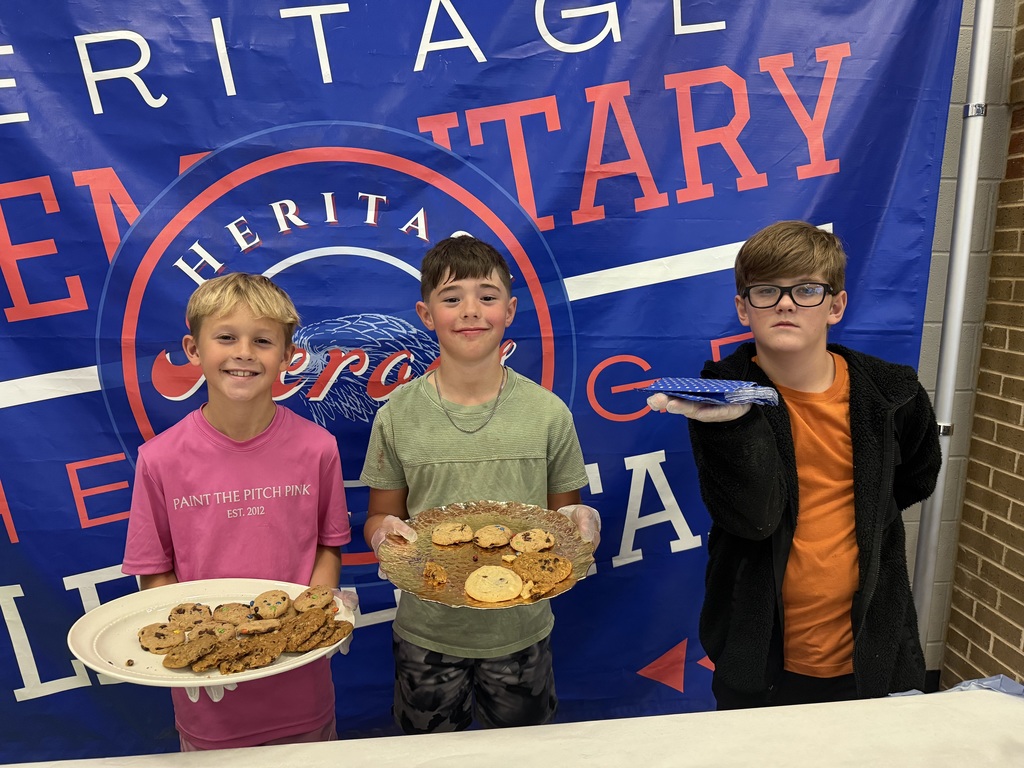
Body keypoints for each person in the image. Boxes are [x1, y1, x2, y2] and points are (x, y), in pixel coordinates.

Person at [648, 220, 941, 709]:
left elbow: (916, 478)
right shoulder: (720, 395)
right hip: (759, 655)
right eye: (767, 291)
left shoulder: (893, 392)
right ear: (743, 308)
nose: (785, 304)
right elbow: (753, 519)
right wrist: (736, 429)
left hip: (871, 652)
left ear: (835, 306)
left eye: (806, 290)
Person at [360, 234, 601, 734]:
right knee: (425, 755)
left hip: (521, 634)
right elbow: (380, 516)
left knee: (521, 754)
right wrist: (383, 534)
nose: (471, 310)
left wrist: (580, 524)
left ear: (509, 310)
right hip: (426, 634)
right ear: (426, 314)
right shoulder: (397, 415)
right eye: (452, 298)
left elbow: (561, 525)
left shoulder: (547, 413)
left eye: (487, 297)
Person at [122, 272, 352, 750]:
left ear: (287, 356)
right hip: (209, 703)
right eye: (226, 337)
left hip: (301, 691)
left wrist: (313, 622)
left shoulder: (318, 448)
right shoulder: (159, 460)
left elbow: (328, 547)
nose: (244, 352)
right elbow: (155, 571)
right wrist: (195, 647)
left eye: (262, 341)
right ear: (194, 349)